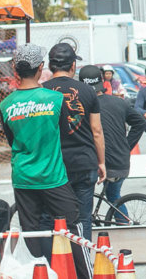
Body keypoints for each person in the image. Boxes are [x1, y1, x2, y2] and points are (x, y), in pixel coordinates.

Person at [0, 43, 87, 278]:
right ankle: (84, 275)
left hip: (23, 177)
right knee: (72, 228)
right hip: (53, 176)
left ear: (16, 70)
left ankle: (38, 273)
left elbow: (11, 139)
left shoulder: (5, 105)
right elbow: (65, 132)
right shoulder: (55, 99)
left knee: (31, 231)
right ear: (40, 68)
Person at [41, 42, 105, 272]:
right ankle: (82, 268)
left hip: (54, 166)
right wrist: (101, 162)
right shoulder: (88, 91)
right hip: (84, 161)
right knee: (83, 218)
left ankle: (54, 267)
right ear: (73, 66)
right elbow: (96, 131)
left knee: (52, 218)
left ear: (50, 65)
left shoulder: (41, 92)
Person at [78, 66, 144, 222]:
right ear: (102, 81)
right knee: (114, 196)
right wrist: (126, 146)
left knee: (83, 195)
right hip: (120, 161)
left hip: (97, 162)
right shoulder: (118, 102)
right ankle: (123, 223)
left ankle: (117, 224)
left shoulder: (82, 107)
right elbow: (140, 122)